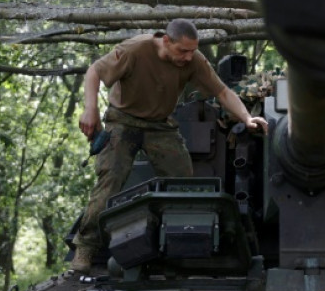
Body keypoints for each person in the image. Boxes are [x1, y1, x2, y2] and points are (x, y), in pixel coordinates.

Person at [71, 19, 268, 273]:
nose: (188, 57)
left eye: (192, 51)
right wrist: (90, 110)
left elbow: (222, 92)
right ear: (166, 41)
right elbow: (94, 72)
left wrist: (247, 118)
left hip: (160, 125)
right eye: (182, 51)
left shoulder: (193, 60)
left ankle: (185, 242)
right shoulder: (135, 50)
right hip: (123, 121)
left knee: (185, 183)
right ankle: (85, 246)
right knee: (111, 178)